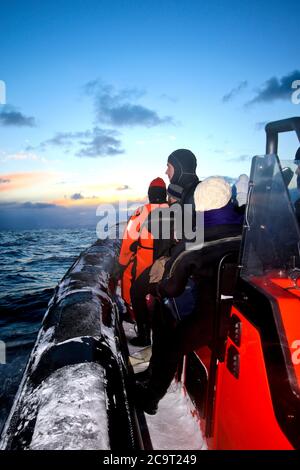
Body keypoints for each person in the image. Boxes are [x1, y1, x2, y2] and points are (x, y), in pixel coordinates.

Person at [135, 176, 243, 414]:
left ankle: (151, 396)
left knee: (166, 330)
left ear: (199, 204)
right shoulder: (248, 231)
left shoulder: (194, 242)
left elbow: (172, 287)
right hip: (241, 310)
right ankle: (153, 372)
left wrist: (157, 288)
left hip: (209, 319)